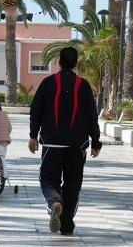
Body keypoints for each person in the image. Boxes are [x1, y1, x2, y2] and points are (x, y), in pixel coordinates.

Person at [28, 47, 101, 236]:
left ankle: (54, 203)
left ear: (59, 62)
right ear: (76, 63)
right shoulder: (83, 86)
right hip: (77, 146)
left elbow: (36, 110)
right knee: (72, 184)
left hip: (52, 143)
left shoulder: (48, 83)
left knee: (48, 179)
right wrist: (96, 142)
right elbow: (91, 116)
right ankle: (66, 224)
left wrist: (33, 136)